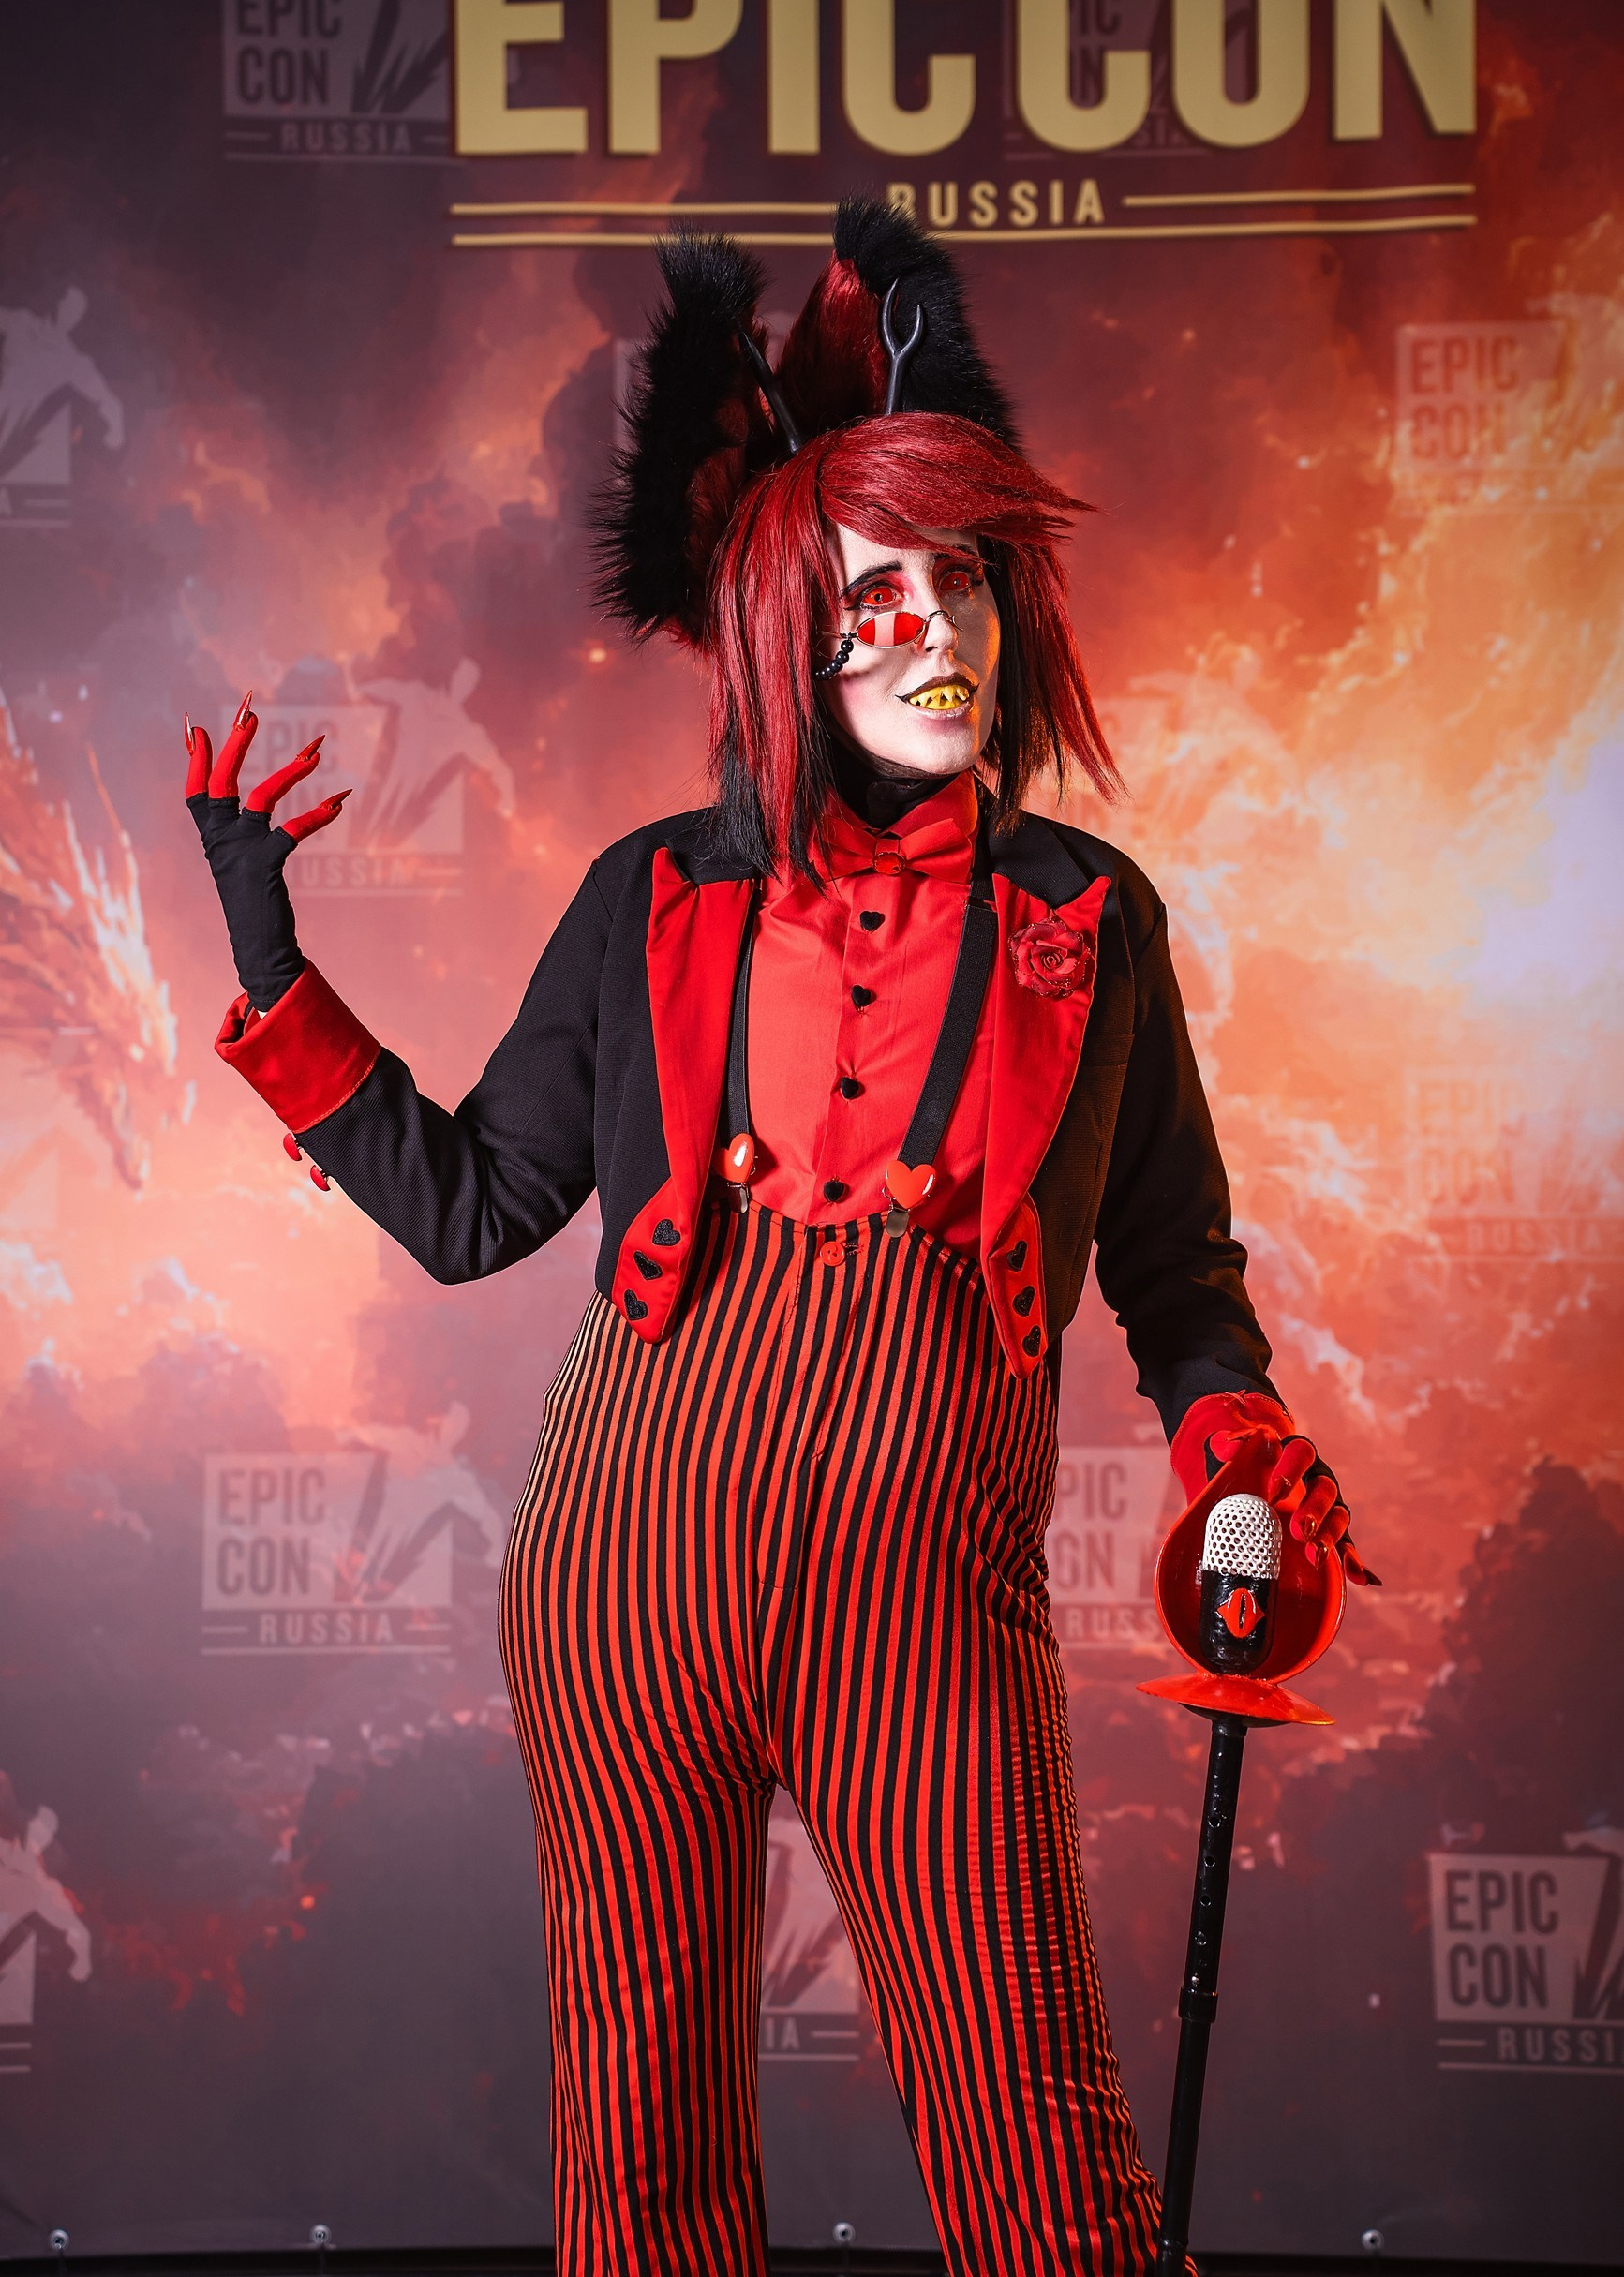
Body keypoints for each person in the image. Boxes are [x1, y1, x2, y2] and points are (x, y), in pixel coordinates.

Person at [184, 201, 1375, 2277]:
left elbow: (1179, 1276)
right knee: (641, 2179)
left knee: (1043, 2169)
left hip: (928, 1603)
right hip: (622, 1573)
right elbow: (475, 1209)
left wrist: (1234, 1443)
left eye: (962, 579)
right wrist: (274, 969)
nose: (933, 631)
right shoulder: (650, 893)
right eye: (873, 595)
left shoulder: (1091, 918)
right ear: (782, 642)